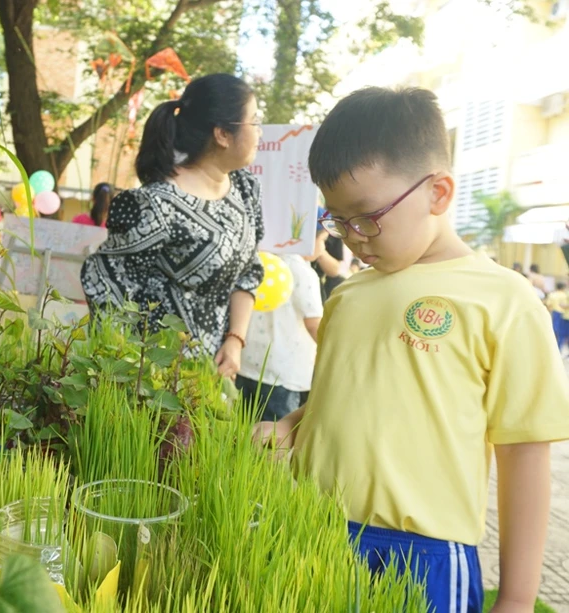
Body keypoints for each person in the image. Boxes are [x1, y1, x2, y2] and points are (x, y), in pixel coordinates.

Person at [253, 87, 569, 613]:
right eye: (337, 220)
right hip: (313, 530)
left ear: (438, 193)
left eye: (366, 216)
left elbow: (524, 451)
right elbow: (342, 396)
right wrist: (289, 427)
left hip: (422, 553)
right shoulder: (347, 295)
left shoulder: (505, 300)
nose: (353, 238)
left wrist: (516, 597)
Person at [81, 73, 264, 377]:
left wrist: (235, 339)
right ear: (222, 134)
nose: (259, 132)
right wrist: (129, 372)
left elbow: (249, 271)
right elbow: (105, 286)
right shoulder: (154, 205)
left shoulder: (245, 189)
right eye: (254, 121)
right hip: (154, 380)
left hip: (216, 374)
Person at [235, 227, 324, 422]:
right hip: (282, 374)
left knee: (242, 430)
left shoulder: (257, 260)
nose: (323, 248)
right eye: (322, 241)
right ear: (308, 239)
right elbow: (314, 324)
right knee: (273, 435)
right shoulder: (301, 271)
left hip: (246, 363)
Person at [546, 281, 568, 355]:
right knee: (562, 333)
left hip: (555, 313)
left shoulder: (552, 294)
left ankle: (554, 347)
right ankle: (559, 348)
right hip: (564, 314)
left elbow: (548, 304)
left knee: (554, 330)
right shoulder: (565, 295)